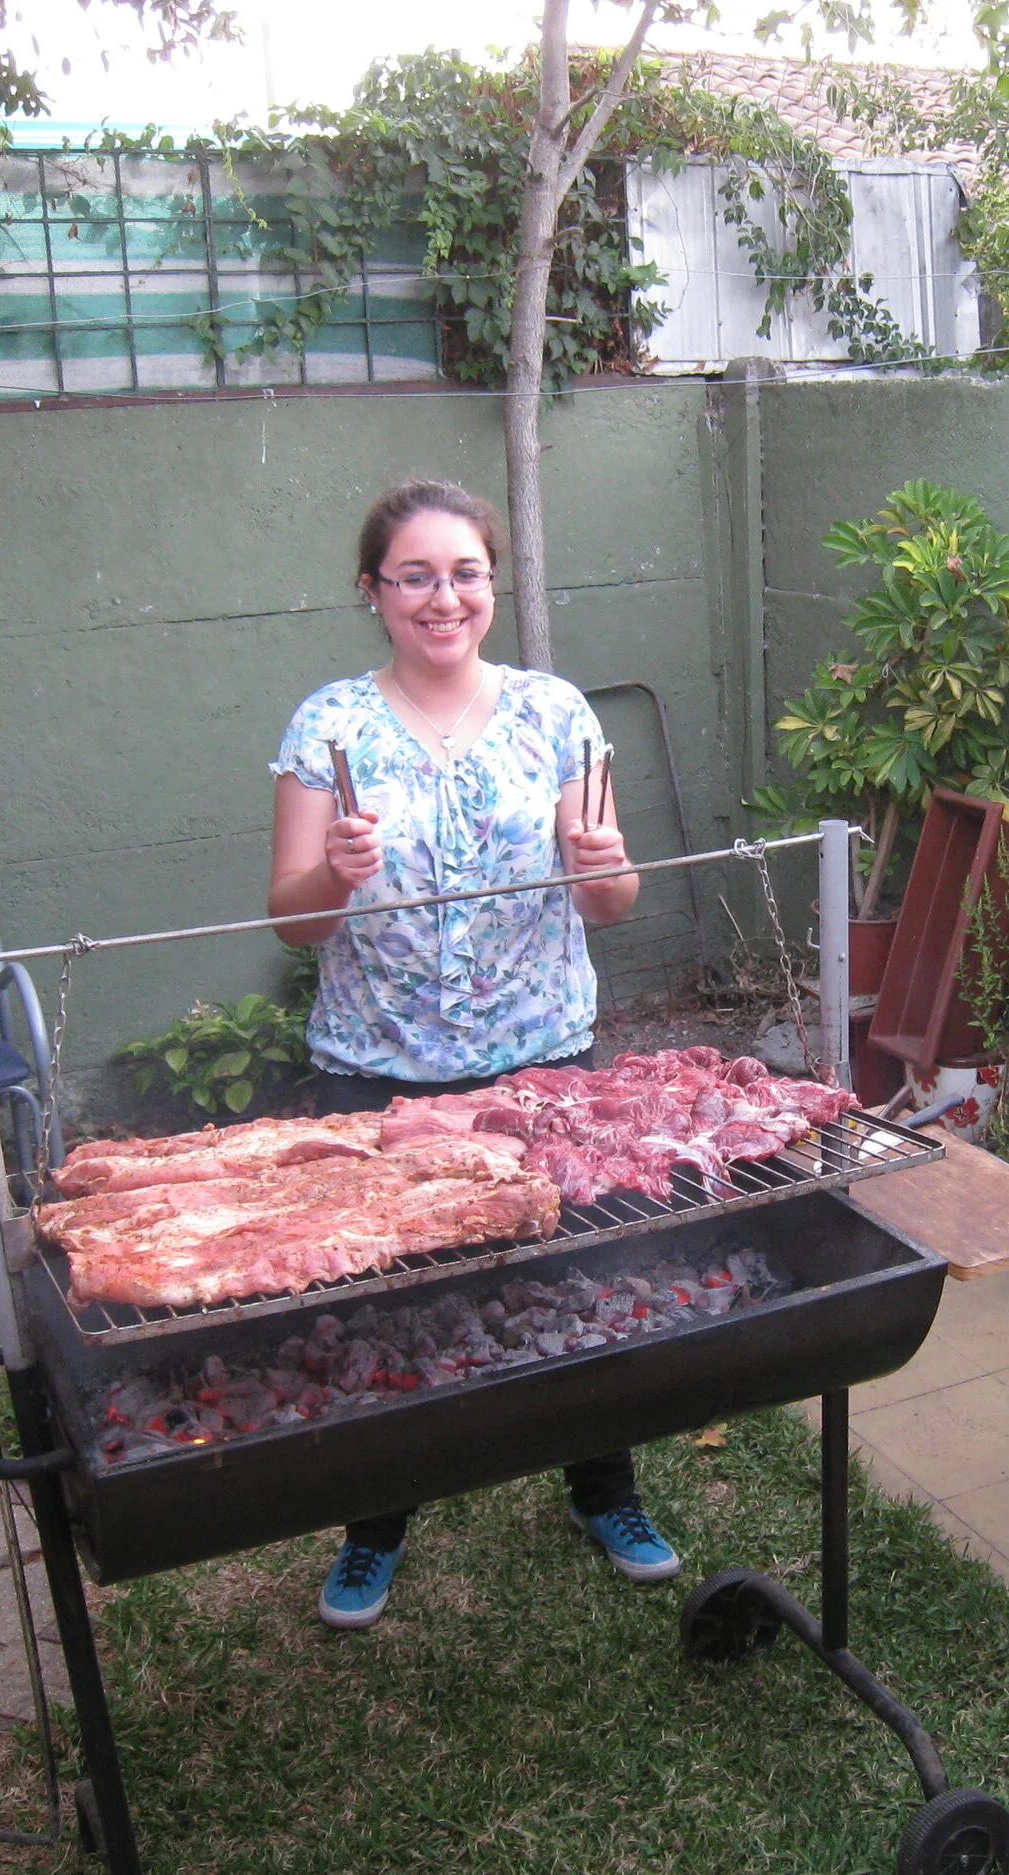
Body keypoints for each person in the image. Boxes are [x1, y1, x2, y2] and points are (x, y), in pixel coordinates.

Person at [267, 477, 677, 1629]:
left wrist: (601, 865)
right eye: (414, 576)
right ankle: (375, 1525)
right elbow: (292, 919)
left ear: (491, 585)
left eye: (464, 574)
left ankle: (606, 1490)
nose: (442, 597)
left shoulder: (557, 715)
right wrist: (333, 876)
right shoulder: (329, 726)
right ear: (373, 591)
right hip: (377, 1065)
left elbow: (614, 899)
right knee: (388, 1307)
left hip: (541, 1054)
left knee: (575, 1284)